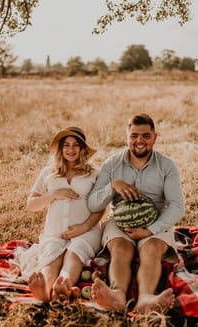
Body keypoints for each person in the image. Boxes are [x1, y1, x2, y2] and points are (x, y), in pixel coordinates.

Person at [88, 113, 185, 314]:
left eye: (145, 136)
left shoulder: (167, 165)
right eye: (134, 136)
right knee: (120, 248)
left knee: (151, 249)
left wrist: (150, 230)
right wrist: (112, 186)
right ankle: (118, 295)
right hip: (120, 220)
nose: (139, 141)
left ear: (155, 137)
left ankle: (146, 299)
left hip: (156, 218)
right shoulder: (112, 164)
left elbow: (177, 206)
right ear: (127, 137)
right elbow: (93, 204)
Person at [19, 127, 103, 302]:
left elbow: (101, 206)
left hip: (86, 230)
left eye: (75, 145)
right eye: (66, 145)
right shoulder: (49, 172)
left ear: (82, 149)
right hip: (55, 230)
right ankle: (44, 289)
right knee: (52, 254)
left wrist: (84, 227)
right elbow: (31, 205)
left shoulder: (94, 173)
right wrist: (53, 195)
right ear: (60, 148)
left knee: (75, 252)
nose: (71, 150)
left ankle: (62, 285)